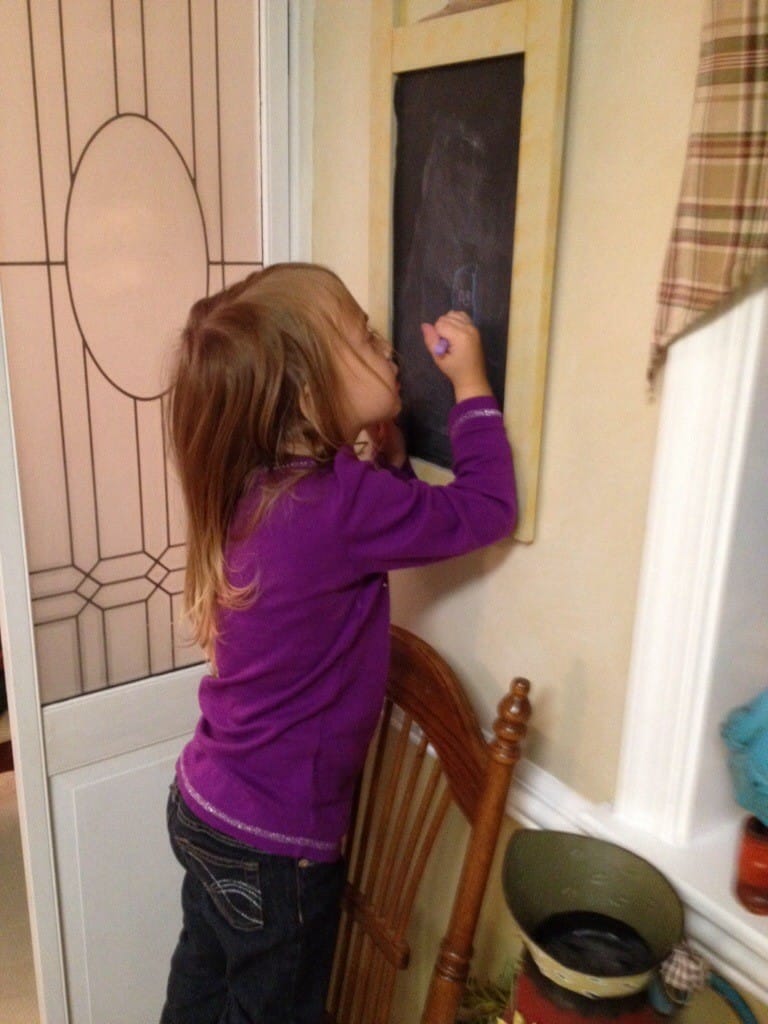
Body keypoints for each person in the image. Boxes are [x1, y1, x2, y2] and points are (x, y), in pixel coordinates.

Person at [160, 262, 516, 1024]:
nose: (387, 348)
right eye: (364, 337)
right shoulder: (343, 504)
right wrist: (471, 385)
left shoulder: (254, 486)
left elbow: (366, 529)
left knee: (201, 992)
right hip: (274, 845)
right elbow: (488, 507)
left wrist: (388, 462)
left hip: (205, 807)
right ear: (305, 393)